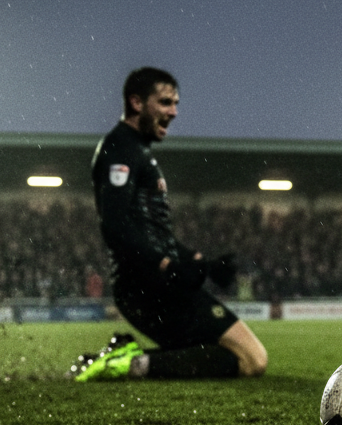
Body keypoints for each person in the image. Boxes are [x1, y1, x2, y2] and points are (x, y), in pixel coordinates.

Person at [73, 67, 268, 382]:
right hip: (147, 287)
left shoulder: (137, 150)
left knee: (221, 355)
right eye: (165, 102)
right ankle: (127, 363)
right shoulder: (121, 147)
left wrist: (200, 262)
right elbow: (115, 225)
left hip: (152, 285)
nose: (174, 112)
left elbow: (154, 232)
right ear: (137, 103)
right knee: (253, 360)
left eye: (175, 103)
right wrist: (165, 265)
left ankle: (126, 360)